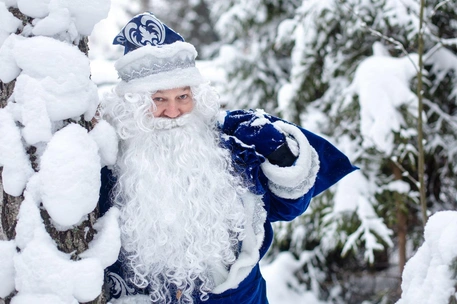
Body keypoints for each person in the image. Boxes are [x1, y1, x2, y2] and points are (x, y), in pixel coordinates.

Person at [98, 12, 356, 304]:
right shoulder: (108, 163)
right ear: (134, 104)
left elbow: (288, 207)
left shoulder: (228, 147)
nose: (173, 112)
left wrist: (280, 153)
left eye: (183, 97)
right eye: (159, 99)